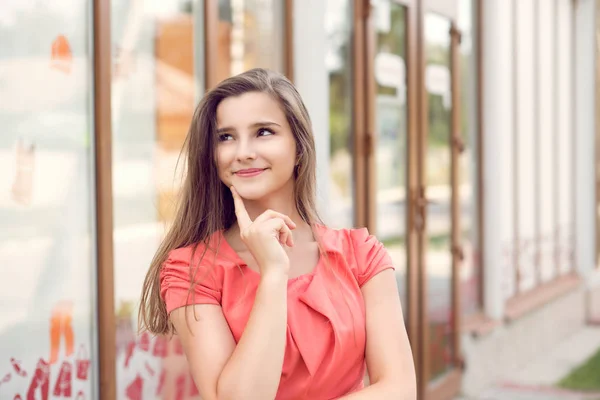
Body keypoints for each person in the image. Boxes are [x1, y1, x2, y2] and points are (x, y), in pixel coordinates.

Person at [139, 68, 416, 399]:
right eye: (226, 137)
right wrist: (272, 273)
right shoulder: (190, 270)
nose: (243, 152)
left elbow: (399, 388)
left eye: (263, 132)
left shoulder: (361, 255)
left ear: (299, 147)